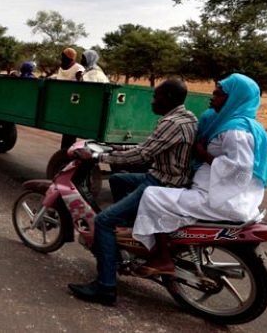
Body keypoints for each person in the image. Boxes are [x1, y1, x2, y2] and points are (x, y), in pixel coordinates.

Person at [67, 79, 197, 306]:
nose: (152, 101)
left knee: (104, 221)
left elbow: (141, 156)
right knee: (117, 180)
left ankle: (105, 287)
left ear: (168, 97)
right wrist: (114, 147)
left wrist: (97, 156)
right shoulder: (186, 117)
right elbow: (149, 146)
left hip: (162, 183)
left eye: (156, 97)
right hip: (167, 178)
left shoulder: (172, 123)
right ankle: (130, 237)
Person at [132, 74, 267, 275]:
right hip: (233, 197)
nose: (212, 98)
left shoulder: (236, 131)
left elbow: (239, 168)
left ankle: (162, 258)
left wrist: (202, 153)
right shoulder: (248, 125)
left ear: (235, 98)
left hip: (222, 200)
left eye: (219, 94)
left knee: (152, 195)